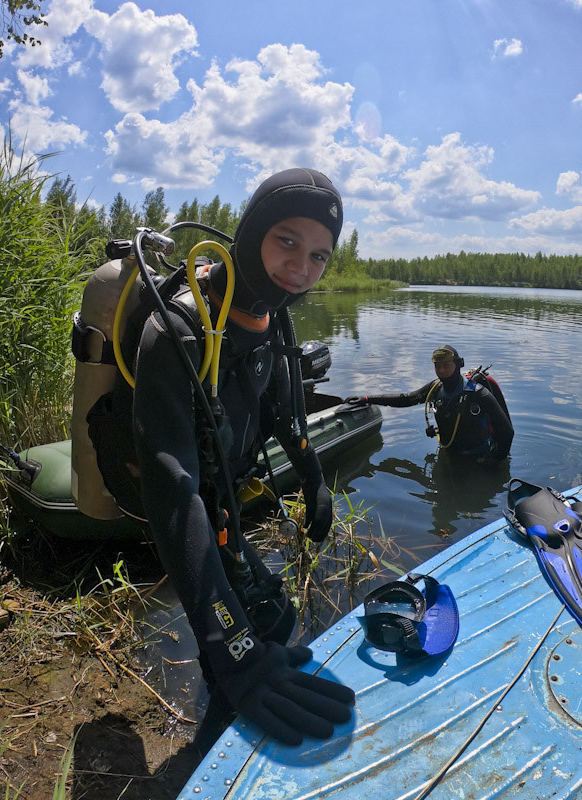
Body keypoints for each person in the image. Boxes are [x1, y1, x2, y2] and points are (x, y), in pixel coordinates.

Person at [91, 168, 355, 749]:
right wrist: (237, 659)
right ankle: (214, 749)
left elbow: (284, 409)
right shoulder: (178, 329)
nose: (301, 268)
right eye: (286, 240)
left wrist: (312, 478)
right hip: (187, 503)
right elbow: (172, 485)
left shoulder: (270, 312)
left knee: (276, 624)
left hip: (225, 493)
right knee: (252, 636)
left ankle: (225, 708)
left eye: (319, 256)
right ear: (254, 229)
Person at [347, 345, 513, 461]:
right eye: (437, 366)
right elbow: (406, 399)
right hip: (448, 454)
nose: (441, 371)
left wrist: (495, 461)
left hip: (477, 458)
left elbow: (507, 431)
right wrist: (368, 399)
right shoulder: (435, 388)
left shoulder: (478, 394)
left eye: (446, 365)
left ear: (458, 365)